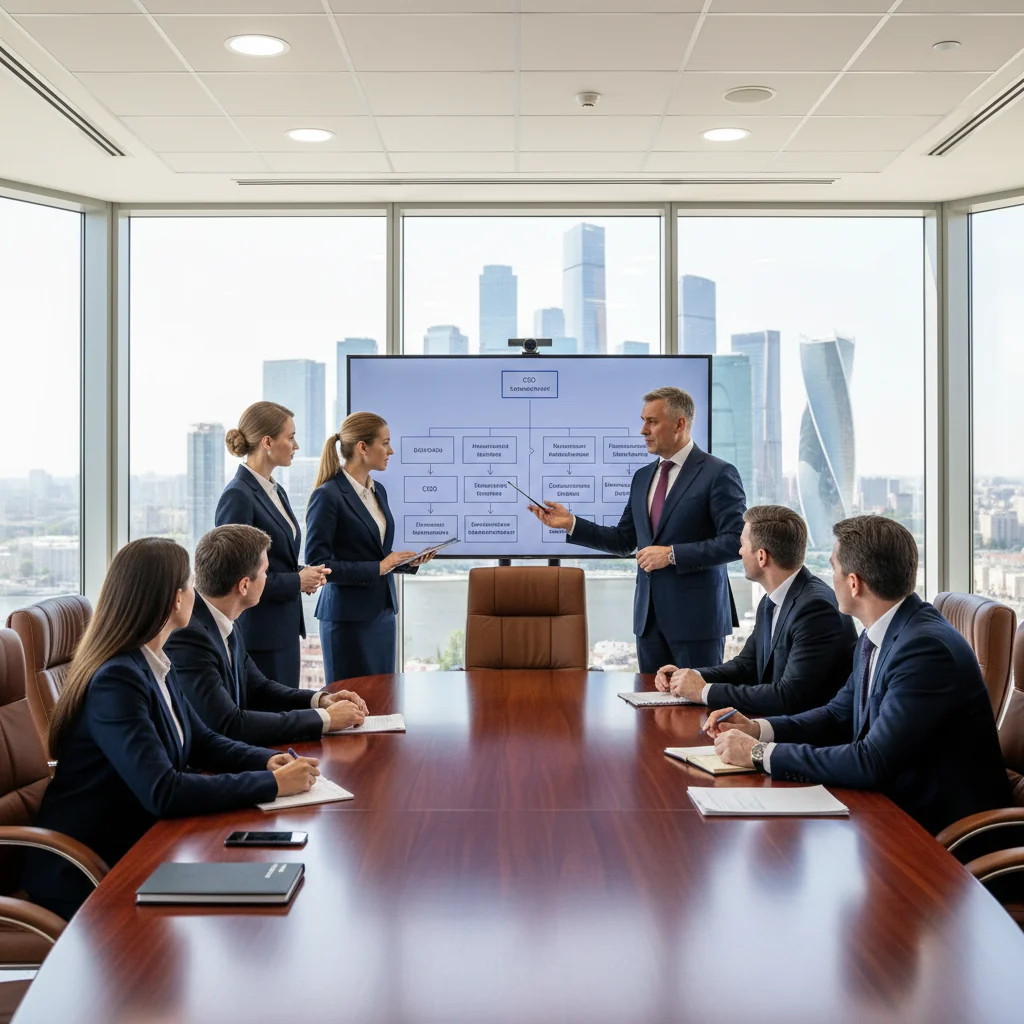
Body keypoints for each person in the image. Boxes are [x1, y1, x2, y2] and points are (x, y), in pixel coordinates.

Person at [21, 538, 321, 920]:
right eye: (191, 584)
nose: (196, 592)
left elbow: (203, 742)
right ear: (175, 600)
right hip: (91, 867)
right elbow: (163, 790)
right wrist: (273, 786)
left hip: (143, 842)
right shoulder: (118, 680)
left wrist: (270, 762)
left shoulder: (153, 662)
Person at [708, 515, 1011, 836]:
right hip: (889, 809)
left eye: (833, 568)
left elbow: (872, 761)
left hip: (938, 832)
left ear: (854, 583)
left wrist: (759, 754)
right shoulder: (880, 632)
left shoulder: (924, 650)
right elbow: (837, 714)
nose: (829, 577)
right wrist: (759, 730)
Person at [527, 386, 745, 673]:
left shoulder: (718, 473)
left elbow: (735, 542)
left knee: (695, 711)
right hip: (648, 622)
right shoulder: (643, 477)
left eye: (651, 421)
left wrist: (671, 555)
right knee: (649, 710)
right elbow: (623, 540)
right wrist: (570, 524)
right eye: (643, 420)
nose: (643, 430)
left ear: (679, 423)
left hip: (697, 621)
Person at [166, 524, 370, 747]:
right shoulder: (189, 637)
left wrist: (321, 701)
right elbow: (229, 724)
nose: (267, 578)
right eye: (265, 572)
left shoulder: (225, 619)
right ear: (244, 585)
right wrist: (325, 719)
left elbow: (258, 688)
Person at [654, 505, 857, 716]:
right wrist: (690, 676)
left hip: (808, 739)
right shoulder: (772, 600)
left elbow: (790, 697)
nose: (739, 551)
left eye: (742, 544)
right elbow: (745, 667)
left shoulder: (815, 609)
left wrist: (704, 691)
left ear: (762, 556)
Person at [305, 412, 433, 683]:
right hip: (346, 621)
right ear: (363, 447)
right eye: (385, 443)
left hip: (382, 614)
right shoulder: (328, 496)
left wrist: (406, 562)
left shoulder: (379, 491)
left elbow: (375, 554)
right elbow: (318, 564)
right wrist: (379, 567)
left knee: (383, 700)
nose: (391, 451)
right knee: (351, 705)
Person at [216, 401, 329, 688]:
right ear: (267, 442)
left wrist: (305, 574)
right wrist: (296, 581)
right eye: (290, 437)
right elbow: (235, 577)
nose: (296, 445)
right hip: (259, 636)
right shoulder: (238, 496)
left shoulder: (275, 490)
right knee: (273, 723)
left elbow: (276, 560)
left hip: (284, 630)